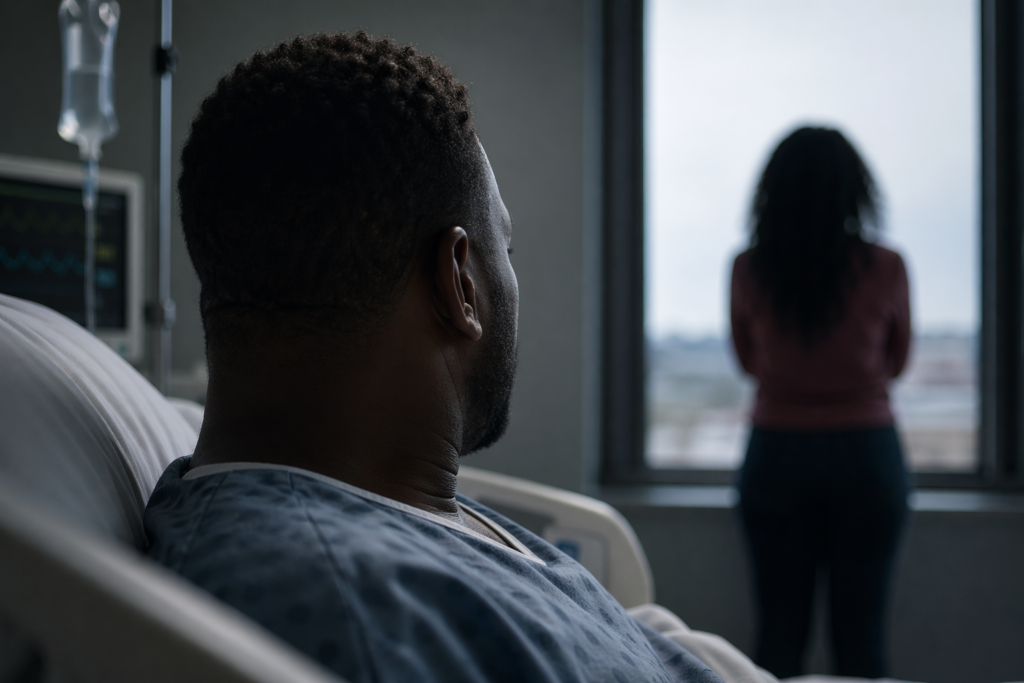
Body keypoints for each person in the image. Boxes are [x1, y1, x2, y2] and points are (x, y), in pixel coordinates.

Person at [143, 31, 727, 683]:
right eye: (504, 248)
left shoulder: (379, 503)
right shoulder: (356, 616)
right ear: (461, 282)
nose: (511, 276)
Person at [730, 127, 912, 679]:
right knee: (861, 641)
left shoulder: (748, 267)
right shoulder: (886, 266)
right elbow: (897, 362)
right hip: (867, 454)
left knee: (778, 639)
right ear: (856, 187)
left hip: (777, 455)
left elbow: (748, 361)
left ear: (772, 190)